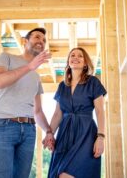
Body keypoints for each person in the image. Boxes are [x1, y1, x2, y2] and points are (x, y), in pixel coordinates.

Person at [0, 27, 53, 178]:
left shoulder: (36, 77)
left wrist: (49, 131)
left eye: (44, 40)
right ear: (25, 42)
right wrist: (29, 67)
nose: (41, 42)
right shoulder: (6, 58)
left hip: (29, 130)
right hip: (2, 126)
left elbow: (37, 111)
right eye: (37, 37)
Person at [43, 47, 107, 178]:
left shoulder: (93, 82)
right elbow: (57, 114)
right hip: (64, 135)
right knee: (59, 172)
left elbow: (100, 111)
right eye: (72, 55)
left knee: (70, 173)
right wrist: (50, 133)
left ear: (85, 64)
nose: (76, 57)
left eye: (80, 56)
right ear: (68, 62)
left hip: (86, 134)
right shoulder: (62, 86)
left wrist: (100, 137)